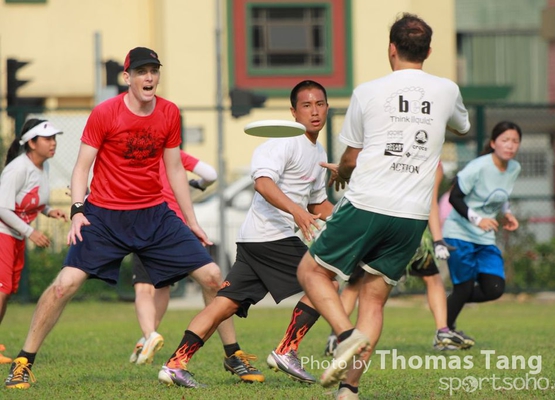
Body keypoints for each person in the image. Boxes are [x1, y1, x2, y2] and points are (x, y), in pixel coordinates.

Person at [4, 47, 261, 390]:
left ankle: (233, 354)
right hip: (104, 216)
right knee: (65, 284)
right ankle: (23, 361)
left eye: (153, 70)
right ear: (127, 77)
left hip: (154, 215)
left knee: (213, 276)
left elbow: (175, 170)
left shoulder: (169, 112)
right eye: (141, 71)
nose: (149, 77)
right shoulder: (105, 113)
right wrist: (78, 211)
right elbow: (81, 168)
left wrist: (191, 220)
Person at [296, 13, 470, 398]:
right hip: (412, 217)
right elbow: (462, 126)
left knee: (311, 270)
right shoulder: (447, 90)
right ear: (428, 51)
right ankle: (349, 390)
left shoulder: (367, 92)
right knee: (373, 303)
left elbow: (351, 157)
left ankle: (345, 335)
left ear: (391, 48)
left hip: (367, 202)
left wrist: (342, 171)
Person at [157, 79, 334, 388]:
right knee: (324, 280)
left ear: (328, 108)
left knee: (223, 305)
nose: (314, 111)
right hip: (270, 236)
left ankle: (174, 365)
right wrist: (297, 212)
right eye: (306, 105)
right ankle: (286, 350)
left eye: (319, 104)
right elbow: (263, 183)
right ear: (293, 112)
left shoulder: (317, 151)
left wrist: (354, 222)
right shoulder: (283, 142)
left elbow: (318, 203)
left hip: (256, 240)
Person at [322, 163, 473, 355]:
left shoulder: (392, 152)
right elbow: (430, 202)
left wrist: (345, 170)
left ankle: (336, 337)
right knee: (428, 279)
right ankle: (442, 332)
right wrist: (437, 239)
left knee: (356, 284)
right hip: (405, 228)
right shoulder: (431, 162)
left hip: (378, 225)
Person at [129, 150, 217, 365]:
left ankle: (149, 334)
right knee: (163, 286)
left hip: (144, 222)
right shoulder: (175, 153)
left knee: (143, 288)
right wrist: (198, 185)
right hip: (175, 227)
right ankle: (147, 338)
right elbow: (210, 174)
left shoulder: (136, 152)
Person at [443, 121, 522, 344]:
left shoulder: (514, 168)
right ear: (493, 143)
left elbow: (502, 194)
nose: (510, 145)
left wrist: (507, 213)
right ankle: (446, 331)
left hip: (485, 237)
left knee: (494, 288)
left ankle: (445, 305)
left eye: (515, 141)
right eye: (505, 140)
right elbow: (454, 197)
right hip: (459, 233)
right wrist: (478, 220)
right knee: (464, 287)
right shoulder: (477, 167)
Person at [0, 120, 68, 365]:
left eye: (54, 138)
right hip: (3, 233)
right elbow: (2, 208)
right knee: (2, 290)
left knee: (6, 292)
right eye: (47, 139)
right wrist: (31, 232)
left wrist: (49, 211)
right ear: (31, 142)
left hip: (15, 235)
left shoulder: (42, 167)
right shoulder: (18, 168)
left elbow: (32, 200)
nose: (53, 143)